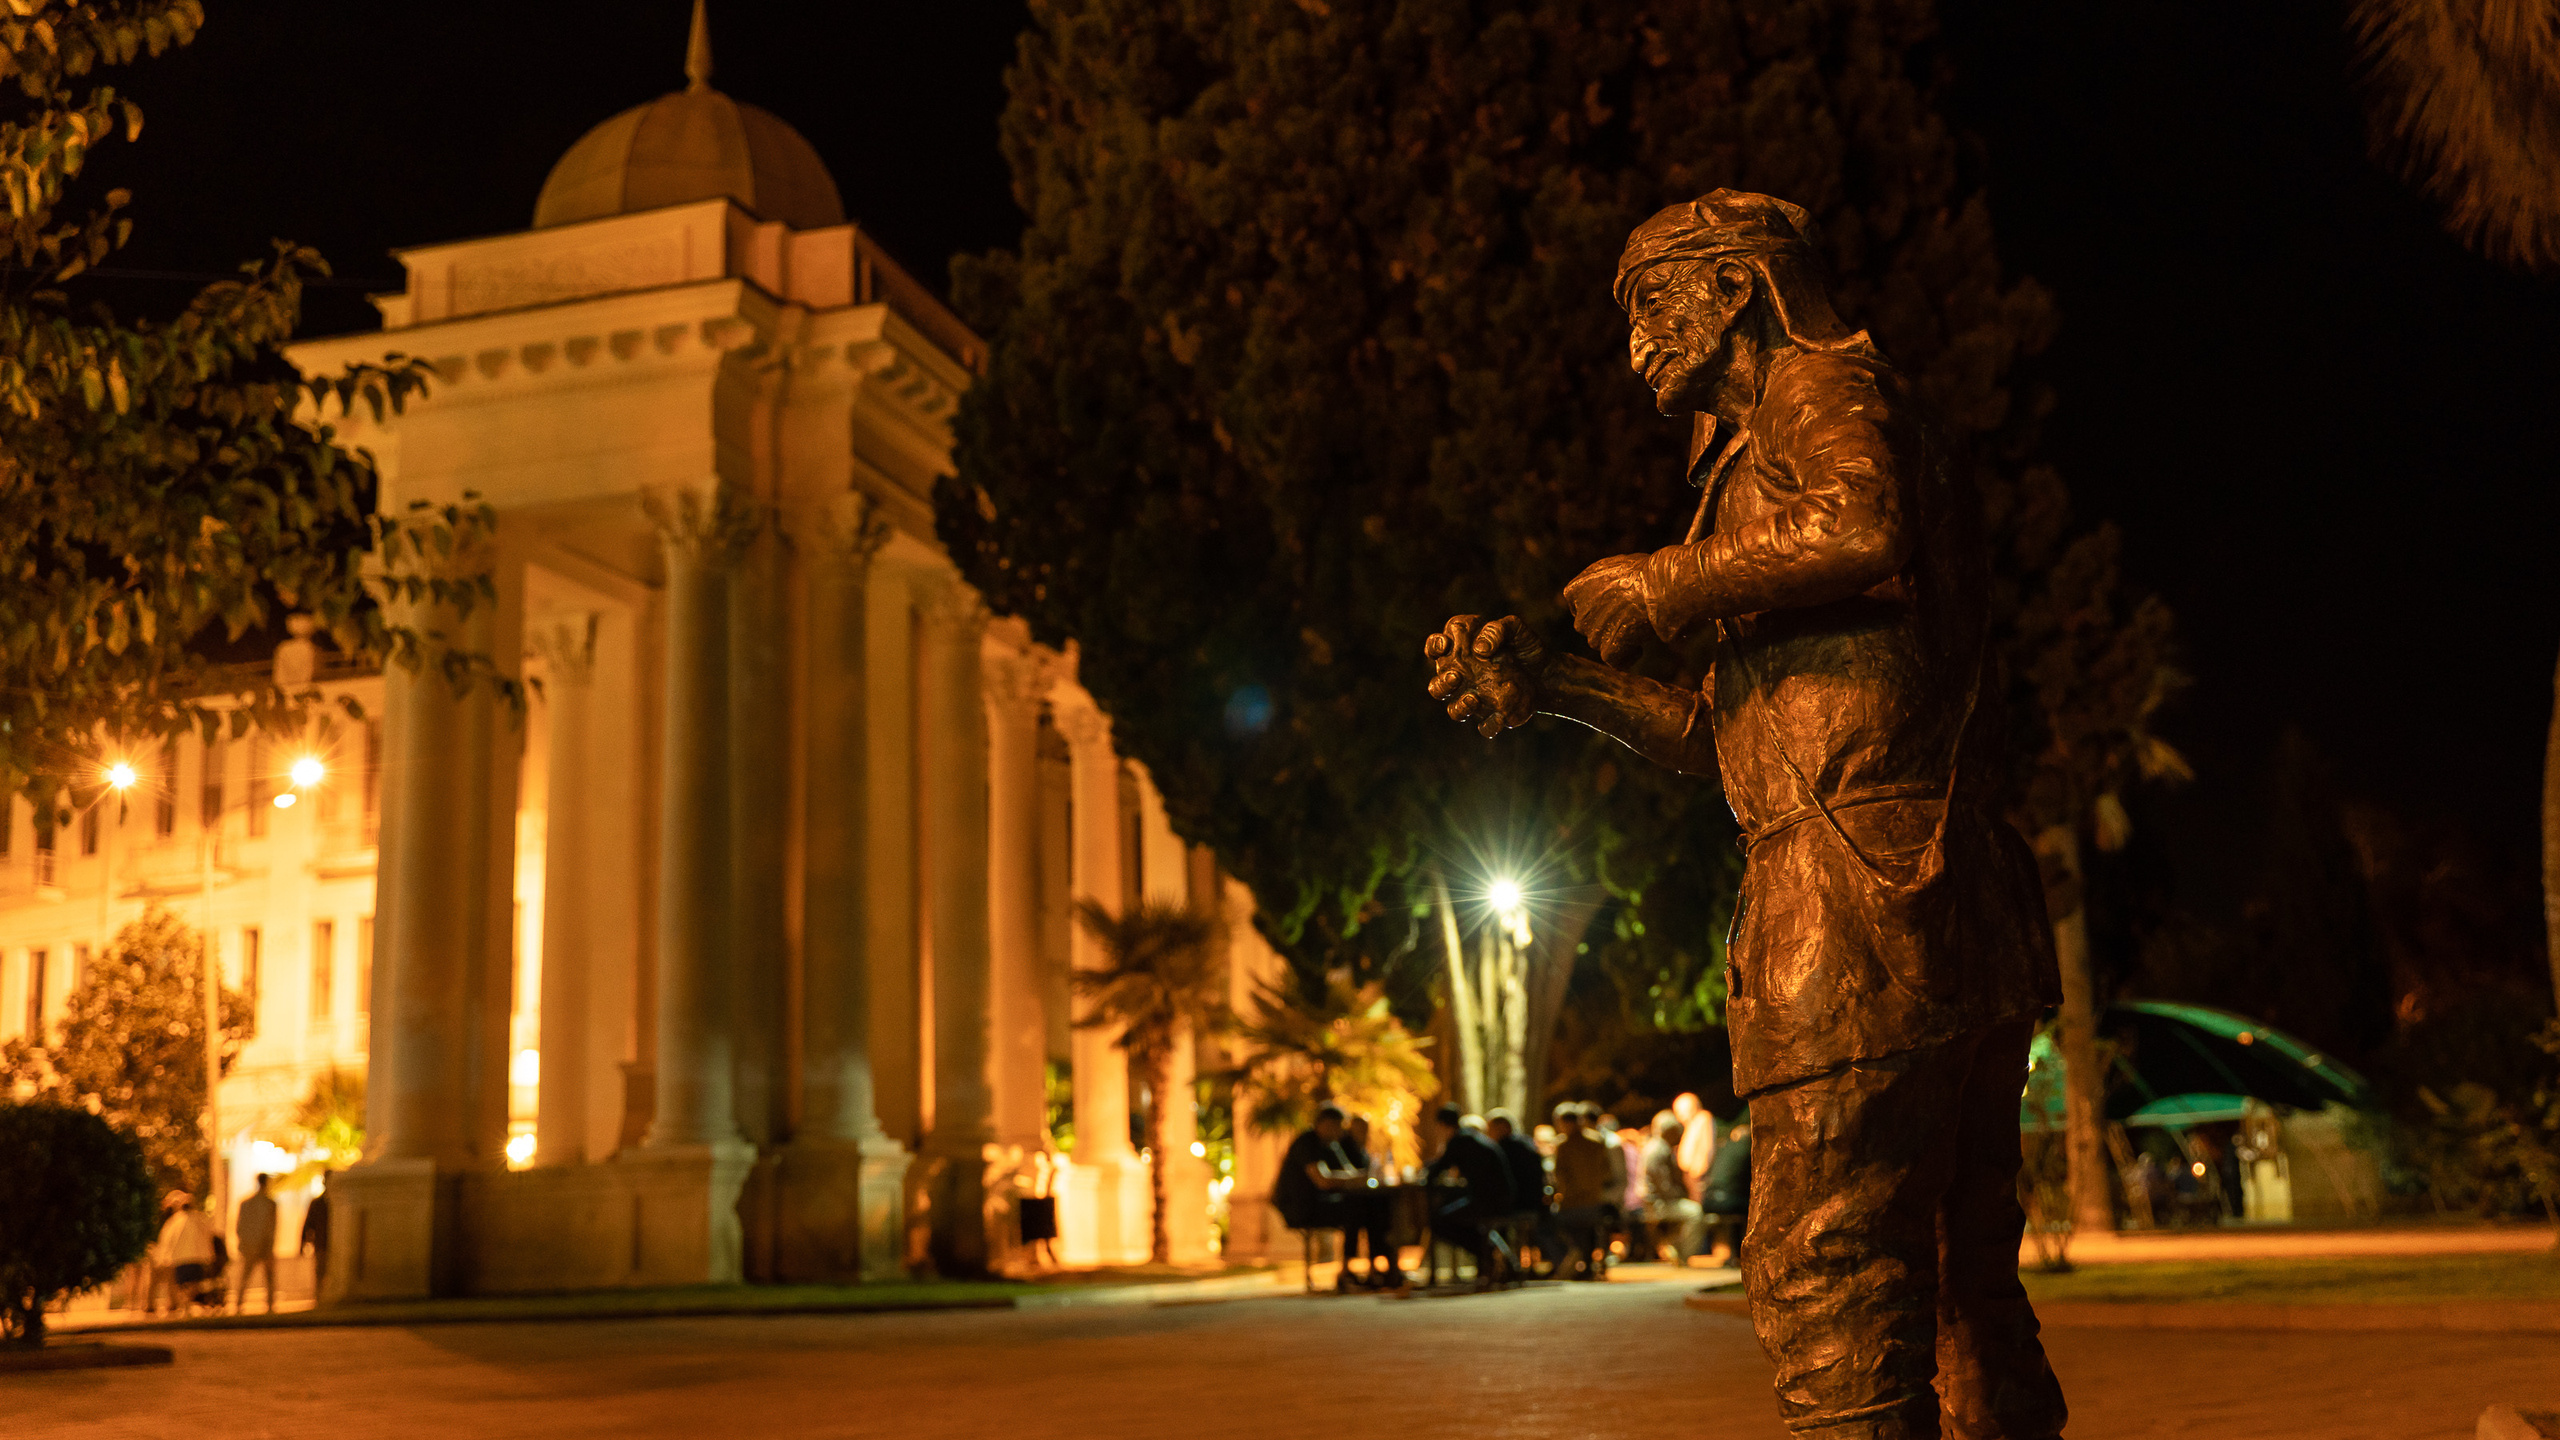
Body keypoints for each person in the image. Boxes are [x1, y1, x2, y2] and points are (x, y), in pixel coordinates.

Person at [1424, 189, 2070, 1438]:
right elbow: (1715, 737)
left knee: (1822, 1270)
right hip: (1935, 888)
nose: (1635, 346)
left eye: (1650, 305)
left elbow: (1864, 522)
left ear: (1733, 289)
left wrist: (1668, 581)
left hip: (1857, 894)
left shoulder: (1820, 391)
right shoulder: (1766, 453)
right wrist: (1552, 684)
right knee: (1955, 1281)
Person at [1275, 1105, 1403, 1290]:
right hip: (1300, 1206)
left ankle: (1380, 1269)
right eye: (1339, 1126)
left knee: (1375, 1207)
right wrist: (1357, 1178)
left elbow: (1350, 1173)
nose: (1342, 1132)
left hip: (1323, 1202)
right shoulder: (1307, 1142)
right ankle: (1347, 1272)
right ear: (1326, 1124)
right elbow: (1323, 1180)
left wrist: (1359, 1176)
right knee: (1355, 1210)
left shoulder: (1332, 1145)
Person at [1419, 1102, 1514, 1287]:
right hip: (1502, 1196)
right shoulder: (1473, 1137)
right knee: (1460, 1217)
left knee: (1439, 1221)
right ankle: (1490, 1253)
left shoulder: (1458, 1140)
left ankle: (1486, 1253)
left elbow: (1439, 1169)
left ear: (1441, 1124)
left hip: (1488, 1200)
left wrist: (1423, 1174)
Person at [1548, 1104, 1619, 1280]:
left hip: (1572, 1202)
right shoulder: (1596, 1142)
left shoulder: (1564, 1145)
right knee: (1590, 1231)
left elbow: (1560, 1176)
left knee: (1554, 1226)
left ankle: (1569, 1261)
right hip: (1595, 1200)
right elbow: (1606, 1172)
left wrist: (1561, 1196)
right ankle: (1587, 1265)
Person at [1483, 1109, 1551, 1268]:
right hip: (1535, 1203)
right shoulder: (1528, 1145)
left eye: (1490, 1129)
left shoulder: (1501, 1149)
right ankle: (1512, 1264)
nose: (1488, 1134)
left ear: (1502, 1127)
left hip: (1517, 1204)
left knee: (1487, 1221)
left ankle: (1505, 1265)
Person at [1643, 1111, 1707, 1261]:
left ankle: (1674, 1249)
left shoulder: (1657, 1147)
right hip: (1658, 1205)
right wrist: (1684, 1196)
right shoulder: (1658, 1150)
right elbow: (1664, 1187)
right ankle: (1683, 1254)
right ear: (1668, 1131)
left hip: (1659, 1202)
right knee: (1695, 1213)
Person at [1699, 1121, 1752, 1266]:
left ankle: (1734, 1256)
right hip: (1729, 1201)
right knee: (1753, 1210)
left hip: (1709, 1199)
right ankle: (1742, 1256)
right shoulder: (1748, 1150)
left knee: (1736, 1207)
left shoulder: (1723, 1147)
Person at [155, 1192, 217, 1315]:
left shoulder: (174, 1222)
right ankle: (188, 1305)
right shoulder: (199, 1219)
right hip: (194, 1259)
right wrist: (210, 1255)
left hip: (182, 1259)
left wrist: (163, 1258)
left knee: (183, 1286)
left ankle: (186, 1305)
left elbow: (166, 1240)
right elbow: (208, 1236)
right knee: (192, 1284)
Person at [234, 1172, 281, 1314]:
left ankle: (239, 1304)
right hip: (262, 1245)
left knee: (247, 1276)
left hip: (251, 1245)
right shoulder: (269, 1203)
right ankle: (269, 1305)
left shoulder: (247, 1203)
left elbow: (239, 1226)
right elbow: (271, 1228)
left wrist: (244, 1243)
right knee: (267, 1277)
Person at [1672, 1091, 1717, 1200]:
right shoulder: (1690, 1124)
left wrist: (1698, 1173)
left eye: (1680, 1110)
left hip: (1697, 1176)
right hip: (1690, 1175)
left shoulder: (1703, 1118)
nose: (1678, 1116)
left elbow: (1706, 1148)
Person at [301, 1179, 334, 1295]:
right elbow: (308, 1225)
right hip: (323, 1244)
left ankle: (323, 1298)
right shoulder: (321, 1203)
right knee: (321, 1273)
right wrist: (302, 1243)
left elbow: (307, 1225)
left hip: (327, 1244)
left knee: (324, 1274)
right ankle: (320, 1298)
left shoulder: (333, 1202)